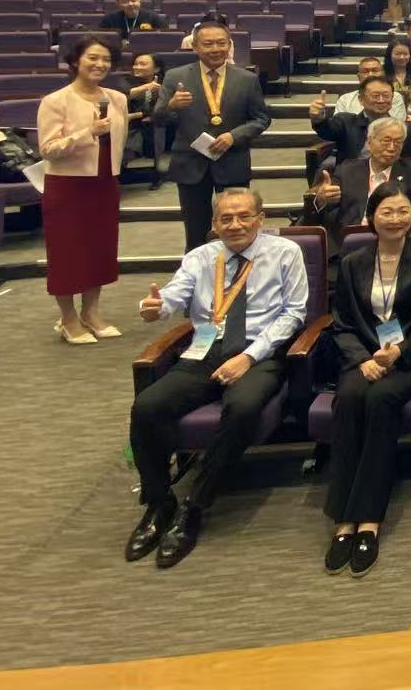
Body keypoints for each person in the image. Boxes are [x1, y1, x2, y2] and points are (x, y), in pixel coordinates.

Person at [125, 189, 307, 568]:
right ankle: (159, 502)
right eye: (226, 218)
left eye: (244, 216)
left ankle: (195, 506)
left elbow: (293, 314)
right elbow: (173, 296)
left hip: (260, 352)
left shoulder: (286, 253)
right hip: (205, 350)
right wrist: (156, 308)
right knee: (147, 407)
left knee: (242, 407)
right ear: (214, 223)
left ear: (260, 218)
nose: (235, 225)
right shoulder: (201, 257)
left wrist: (248, 357)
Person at [320, 183, 411, 576]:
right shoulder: (353, 261)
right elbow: (341, 323)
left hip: (408, 360)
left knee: (380, 400)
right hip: (362, 359)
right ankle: (343, 519)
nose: (396, 219)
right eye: (387, 212)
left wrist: (398, 352)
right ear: (372, 217)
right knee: (349, 399)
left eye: (403, 211)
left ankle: (369, 519)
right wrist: (362, 360)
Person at [38, 34, 128, 344]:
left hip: (104, 182)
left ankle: (91, 312)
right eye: (93, 57)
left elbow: (119, 142)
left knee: (99, 250)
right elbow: (48, 149)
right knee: (67, 253)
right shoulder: (55, 100)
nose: (100, 64)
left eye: (106, 59)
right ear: (76, 61)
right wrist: (87, 132)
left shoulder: (117, 99)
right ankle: (68, 318)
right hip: (67, 186)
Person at [153, 21, 270, 252]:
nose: (215, 49)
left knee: (238, 229)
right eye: (208, 44)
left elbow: (261, 119)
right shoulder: (175, 77)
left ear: (229, 45)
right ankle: (197, 271)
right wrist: (172, 106)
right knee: (195, 233)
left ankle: (240, 269)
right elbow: (158, 118)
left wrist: (234, 136)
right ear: (195, 46)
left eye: (221, 43)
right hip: (190, 164)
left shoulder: (246, 79)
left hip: (232, 161)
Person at [305, 115, 411, 245]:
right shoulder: (347, 170)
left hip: (397, 243)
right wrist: (322, 199)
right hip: (351, 243)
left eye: (398, 142)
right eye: (386, 141)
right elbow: (322, 216)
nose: (392, 148)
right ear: (369, 143)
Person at [310, 76, 407, 167]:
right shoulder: (346, 122)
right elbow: (326, 131)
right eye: (375, 96)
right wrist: (318, 118)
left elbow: (408, 163)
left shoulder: (404, 130)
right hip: (351, 175)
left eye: (386, 96)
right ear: (361, 99)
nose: (381, 100)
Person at [334, 56, 408, 122]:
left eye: (375, 70)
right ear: (358, 76)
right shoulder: (345, 99)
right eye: (365, 71)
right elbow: (340, 125)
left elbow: (397, 125)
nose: (370, 75)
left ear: (383, 74)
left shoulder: (395, 97)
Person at [99, 0, 164, 41]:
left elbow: (164, 37)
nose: (130, 4)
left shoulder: (153, 17)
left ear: (139, 1)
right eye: (125, 2)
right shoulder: (109, 19)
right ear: (118, 4)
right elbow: (101, 39)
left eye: (133, 1)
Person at [383, 38, 411, 106]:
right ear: (389, 55)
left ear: (410, 55)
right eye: (397, 54)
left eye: (405, 54)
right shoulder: (381, 73)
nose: (402, 57)